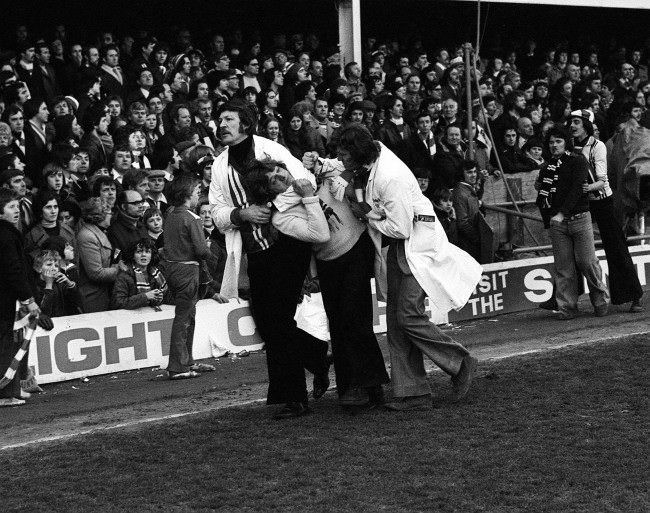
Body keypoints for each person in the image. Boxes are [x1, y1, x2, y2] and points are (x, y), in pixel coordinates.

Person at [308, 124, 481, 411]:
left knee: (408, 315)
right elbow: (341, 164)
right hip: (400, 248)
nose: (342, 161)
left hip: (416, 245)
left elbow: (400, 228)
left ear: (358, 152)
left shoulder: (391, 177)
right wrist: (321, 163)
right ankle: (412, 393)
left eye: (344, 155)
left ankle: (460, 362)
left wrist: (365, 217)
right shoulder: (369, 157)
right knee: (396, 321)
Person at [209, 99, 329, 418]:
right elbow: (216, 210)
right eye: (219, 119)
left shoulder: (269, 149)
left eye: (228, 119)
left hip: (288, 241)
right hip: (255, 250)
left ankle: (294, 398)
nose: (221, 124)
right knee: (266, 322)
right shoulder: (219, 166)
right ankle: (317, 357)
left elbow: (305, 182)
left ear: (245, 124)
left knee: (278, 318)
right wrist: (240, 213)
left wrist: (273, 208)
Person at [569, 109, 643, 312]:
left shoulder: (598, 146)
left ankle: (633, 295)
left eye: (576, 122)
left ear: (586, 125)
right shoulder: (570, 146)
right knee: (571, 249)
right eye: (571, 122)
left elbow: (602, 181)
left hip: (602, 202)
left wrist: (583, 188)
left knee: (616, 247)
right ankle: (566, 300)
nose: (572, 126)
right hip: (581, 202)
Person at [535, 126, 609, 320]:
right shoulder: (547, 166)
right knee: (563, 267)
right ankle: (567, 307)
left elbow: (578, 189)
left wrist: (561, 213)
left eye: (558, 141)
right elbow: (541, 192)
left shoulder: (578, 160)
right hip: (558, 223)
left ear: (566, 142)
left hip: (579, 217)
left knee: (587, 262)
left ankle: (600, 299)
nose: (554, 145)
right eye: (551, 142)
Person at [163, 174, 215, 380]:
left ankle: (186, 360)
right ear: (187, 195)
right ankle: (178, 366)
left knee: (187, 316)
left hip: (172, 268)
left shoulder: (170, 216)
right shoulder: (192, 218)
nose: (198, 195)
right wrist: (209, 251)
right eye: (196, 192)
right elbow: (202, 251)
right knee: (184, 318)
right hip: (187, 270)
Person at [0, 189, 47, 407]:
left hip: (9, 299)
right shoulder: (6, 235)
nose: (16, 211)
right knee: (7, 345)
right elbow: (13, 271)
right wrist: (29, 299)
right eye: (11, 207)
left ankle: (14, 387)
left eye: (17, 207)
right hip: (5, 301)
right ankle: (5, 393)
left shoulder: (9, 232)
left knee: (14, 343)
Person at [76, 197, 119, 312]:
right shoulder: (87, 237)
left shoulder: (100, 232)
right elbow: (96, 273)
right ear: (101, 216)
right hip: (93, 298)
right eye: (110, 212)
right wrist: (119, 269)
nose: (112, 215)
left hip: (103, 294)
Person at [111, 238, 169, 310]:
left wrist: (159, 298)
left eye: (147, 252)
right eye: (139, 252)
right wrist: (146, 296)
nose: (143, 255)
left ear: (152, 255)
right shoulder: (124, 275)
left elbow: (166, 297)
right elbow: (118, 303)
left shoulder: (156, 273)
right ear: (133, 256)